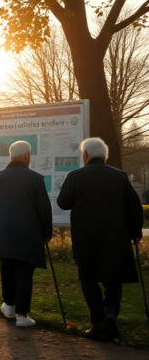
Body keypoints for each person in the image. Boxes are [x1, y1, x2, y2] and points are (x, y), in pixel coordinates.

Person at [57, 138, 144, 341]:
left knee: (88, 277)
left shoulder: (75, 176)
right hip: (116, 235)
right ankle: (111, 312)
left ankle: (99, 322)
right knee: (113, 278)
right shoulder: (120, 175)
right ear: (104, 155)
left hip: (86, 235)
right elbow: (134, 205)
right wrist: (136, 232)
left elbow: (63, 203)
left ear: (85, 155)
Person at [0, 140, 52, 328]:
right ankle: (22, 315)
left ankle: (9, 306)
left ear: (11, 156)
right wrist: (47, 233)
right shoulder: (36, 179)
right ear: (27, 156)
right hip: (27, 233)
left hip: (3, 231)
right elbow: (44, 209)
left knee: (6, 267)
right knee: (24, 271)